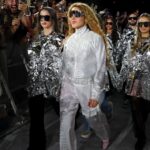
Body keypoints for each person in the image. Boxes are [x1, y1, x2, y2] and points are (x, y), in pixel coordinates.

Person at [60, 2, 109, 150]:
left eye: (77, 14)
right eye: (70, 14)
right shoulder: (68, 39)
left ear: (86, 17)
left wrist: (95, 94)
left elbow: (101, 68)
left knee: (92, 117)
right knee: (65, 124)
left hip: (87, 86)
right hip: (68, 86)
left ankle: (104, 135)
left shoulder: (95, 38)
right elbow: (64, 67)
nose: (72, 17)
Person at [26, 7, 64, 150]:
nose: (43, 20)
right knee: (36, 118)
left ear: (53, 19)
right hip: (36, 83)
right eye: (40, 17)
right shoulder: (35, 38)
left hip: (53, 84)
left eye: (46, 17)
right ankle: (36, 146)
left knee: (63, 112)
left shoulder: (60, 39)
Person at [118, 13, 150, 150]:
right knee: (136, 111)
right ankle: (141, 137)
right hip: (135, 81)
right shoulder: (132, 41)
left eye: (146, 24)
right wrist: (121, 80)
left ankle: (140, 129)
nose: (143, 26)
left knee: (145, 110)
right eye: (140, 24)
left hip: (149, 82)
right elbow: (125, 62)